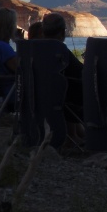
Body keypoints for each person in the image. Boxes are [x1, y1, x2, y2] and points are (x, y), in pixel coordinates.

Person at [42, 12, 85, 142]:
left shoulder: (35, 49)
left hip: (38, 96)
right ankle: (72, 136)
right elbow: (80, 71)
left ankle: (75, 133)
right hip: (65, 99)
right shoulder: (60, 50)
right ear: (62, 32)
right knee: (73, 89)